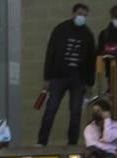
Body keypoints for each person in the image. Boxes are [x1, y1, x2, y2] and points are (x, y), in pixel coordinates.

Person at [38, 4, 98, 147]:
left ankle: (72, 143)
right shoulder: (60, 30)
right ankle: (42, 141)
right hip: (58, 76)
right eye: (79, 13)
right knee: (51, 109)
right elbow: (50, 53)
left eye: (84, 15)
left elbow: (91, 61)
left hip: (78, 79)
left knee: (75, 112)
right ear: (73, 13)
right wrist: (47, 78)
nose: (81, 17)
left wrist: (90, 83)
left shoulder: (88, 35)